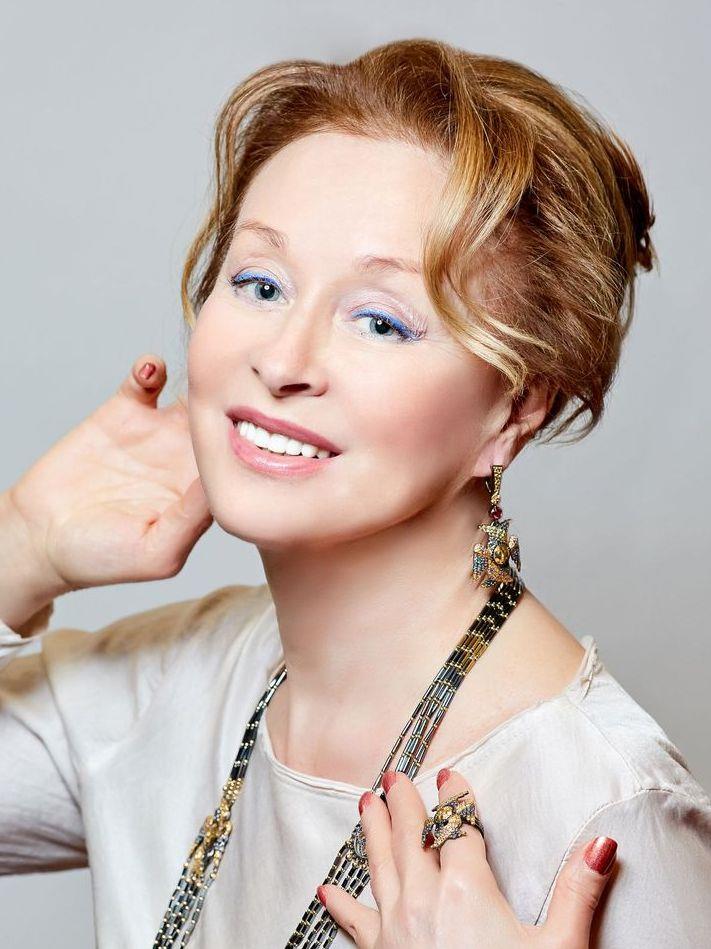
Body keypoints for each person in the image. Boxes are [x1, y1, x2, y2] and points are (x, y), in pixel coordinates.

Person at [1, 36, 710, 949]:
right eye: (260, 283)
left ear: (512, 408)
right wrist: (19, 544)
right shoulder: (168, 686)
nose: (282, 360)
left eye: (380, 321)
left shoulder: (603, 808)